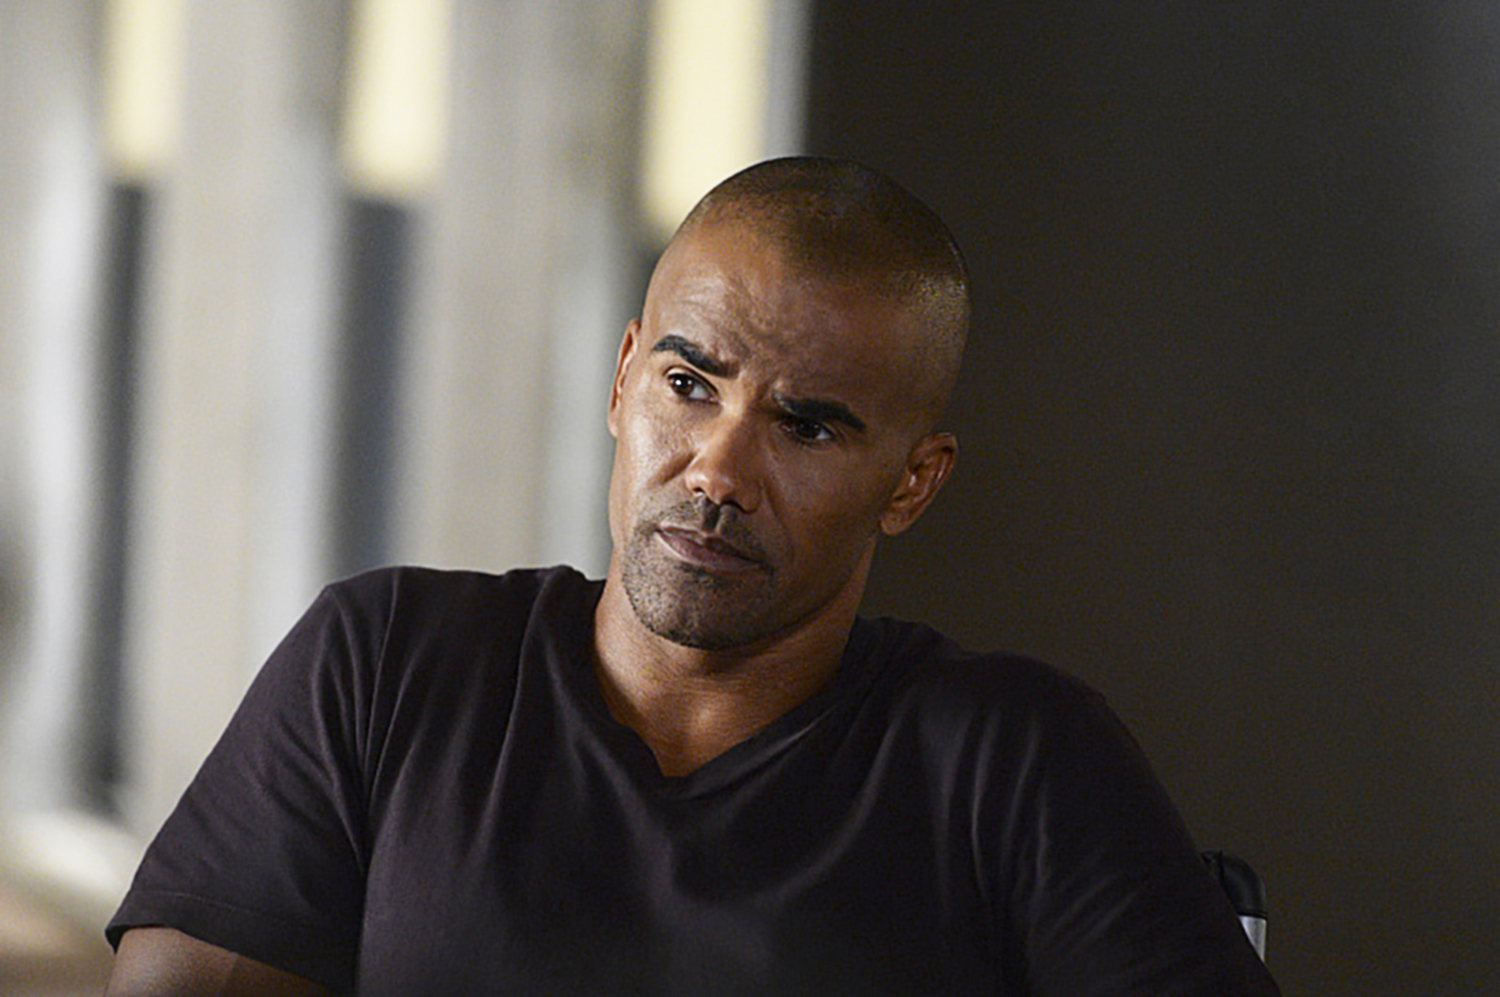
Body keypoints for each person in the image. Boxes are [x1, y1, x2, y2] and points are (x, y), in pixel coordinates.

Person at [105, 157, 1279, 995]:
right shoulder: (390, 661)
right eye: (689, 384)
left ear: (913, 482)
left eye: (807, 427)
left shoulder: (1012, 762)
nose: (718, 469)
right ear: (624, 380)